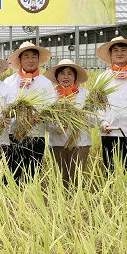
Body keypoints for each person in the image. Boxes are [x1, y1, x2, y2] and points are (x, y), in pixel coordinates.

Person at [4, 41, 56, 183]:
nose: (31, 60)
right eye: (26, 57)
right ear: (20, 60)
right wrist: (13, 113)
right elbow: (3, 106)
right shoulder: (9, 82)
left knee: (32, 175)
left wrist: (40, 115)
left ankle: (30, 202)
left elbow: (51, 106)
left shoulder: (46, 83)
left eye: (34, 56)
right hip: (13, 135)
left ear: (38, 60)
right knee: (11, 174)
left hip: (36, 135)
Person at [95, 36, 127, 172]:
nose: (119, 53)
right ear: (111, 55)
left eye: (123, 50)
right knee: (110, 170)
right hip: (109, 131)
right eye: (116, 50)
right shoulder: (103, 78)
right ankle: (111, 193)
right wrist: (102, 121)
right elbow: (97, 104)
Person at [44, 59, 92, 187]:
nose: (66, 77)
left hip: (80, 143)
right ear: (57, 76)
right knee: (61, 178)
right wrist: (58, 126)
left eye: (70, 73)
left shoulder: (86, 95)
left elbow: (94, 121)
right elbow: (46, 123)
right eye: (62, 73)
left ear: (75, 76)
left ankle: (77, 205)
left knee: (77, 178)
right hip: (58, 143)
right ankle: (62, 205)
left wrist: (79, 118)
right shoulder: (50, 96)